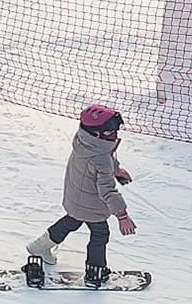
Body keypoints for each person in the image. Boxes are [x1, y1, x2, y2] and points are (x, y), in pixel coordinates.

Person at [26, 104, 137, 287]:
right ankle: (95, 272)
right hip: (91, 205)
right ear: (97, 135)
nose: (115, 135)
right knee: (100, 234)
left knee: (71, 221)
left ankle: (40, 246)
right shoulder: (101, 159)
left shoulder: (83, 141)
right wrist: (122, 216)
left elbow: (104, 156)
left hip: (75, 197)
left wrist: (116, 169)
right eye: (110, 132)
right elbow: (108, 190)